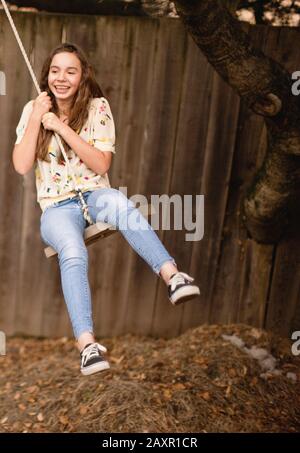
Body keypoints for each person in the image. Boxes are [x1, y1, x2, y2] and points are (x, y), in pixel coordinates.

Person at [12, 43, 200, 376]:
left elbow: (100, 163)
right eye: (55, 70)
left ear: (82, 75)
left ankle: (173, 278)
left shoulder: (98, 107)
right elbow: (21, 164)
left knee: (120, 204)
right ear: (46, 74)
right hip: (56, 208)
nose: (62, 78)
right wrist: (38, 120)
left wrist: (62, 128)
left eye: (71, 71)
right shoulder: (33, 109)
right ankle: (87, 345)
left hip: (95, 195)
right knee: (72, 251)